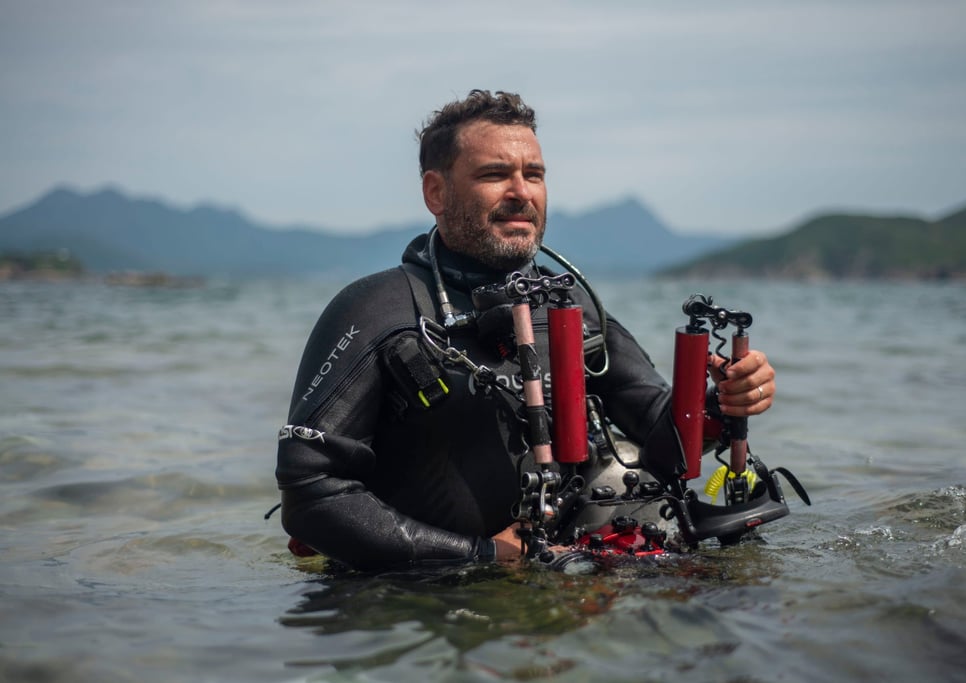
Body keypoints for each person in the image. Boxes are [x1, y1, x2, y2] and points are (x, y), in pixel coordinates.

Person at [275, 89, 776, 571]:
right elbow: (312, 494)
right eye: (495, 174)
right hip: (423, 603)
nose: (521, 193)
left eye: (533, 174)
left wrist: (719, 403)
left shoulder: (570, 304)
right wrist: (483, 556)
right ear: (436, 192)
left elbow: (661, 440)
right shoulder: (377, 311)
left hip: (557, 580)